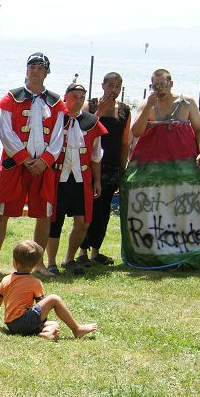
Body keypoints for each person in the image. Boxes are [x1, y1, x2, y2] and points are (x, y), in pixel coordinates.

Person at [0, 53, 67, 275]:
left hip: (43, 167)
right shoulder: (12, 97)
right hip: (15, 164)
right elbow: (5, 132)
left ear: (46, 72)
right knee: (2, 212)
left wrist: (44, 161)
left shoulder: (57, 102)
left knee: (43, 214)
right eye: (32, 66)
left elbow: (59, 136)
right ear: (26, 69)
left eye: (40, 67)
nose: (35, 70)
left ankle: (38, 264)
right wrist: (23, 158)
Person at [123, 69, 200, 269]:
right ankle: (151, 251)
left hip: (183, 167)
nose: (160, 90)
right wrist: (149, 108)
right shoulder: (147, 104)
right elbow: (136, 131)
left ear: (171, 83)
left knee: (183, 211)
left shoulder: (187, 102)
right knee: (152, 209)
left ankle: (183, 251)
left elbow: (199, 129)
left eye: (163, 85)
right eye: (155, 86)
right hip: (150, 168)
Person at [44, 83, 107, 275]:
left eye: (82, 97)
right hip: (58, 178)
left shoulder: (92, 122)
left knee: (83, 222)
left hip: (82, 178)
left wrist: (97, 181)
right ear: (66, 97)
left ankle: (69, 258)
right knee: (55, 221)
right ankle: (52, 262)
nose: (78, 101)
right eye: (74, 96)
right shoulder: (55, 119)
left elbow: (96, 155)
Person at [0, 240, 97, 339]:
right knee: (54, 299)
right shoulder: (35, 282)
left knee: (54, 324)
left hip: (11, 325)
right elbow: (40, 305)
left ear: (15, 263)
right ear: (34, 265)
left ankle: (45, 333)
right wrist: (41, 323)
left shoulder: (5, 280)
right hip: (23, 322)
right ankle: (76, 329)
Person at [76, 72, 131, 266]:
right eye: (110, 86)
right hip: (90, 163)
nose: (113, 90)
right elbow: (82, 132)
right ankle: (82, 251)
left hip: (111, 165)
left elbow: (125, 143)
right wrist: (99, 111)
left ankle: (96, 252)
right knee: (86, 208)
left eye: (117, 87)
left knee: (103, 210)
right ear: (103, 85)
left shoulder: (124, 110)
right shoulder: (89, 106)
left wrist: (122, 169)